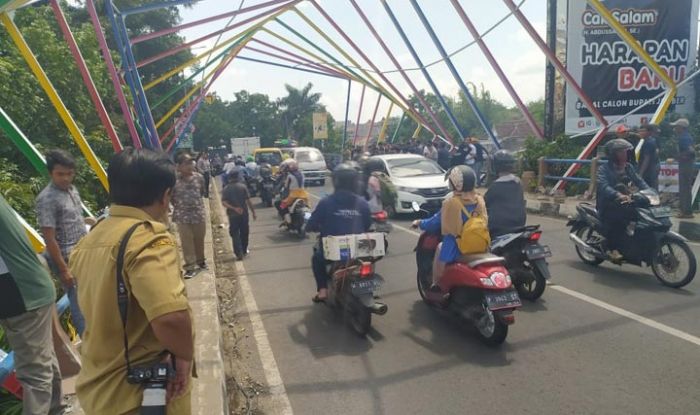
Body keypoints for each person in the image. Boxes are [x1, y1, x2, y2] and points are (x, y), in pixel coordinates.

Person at [70, 148, 193, 415]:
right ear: (165, 196)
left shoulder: (88, 241)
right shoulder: (148, 240)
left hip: (100, 390)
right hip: (142, 395)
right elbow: (170, 318)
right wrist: (184, 356)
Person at [0, 194, 66, 415]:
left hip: (21, 296)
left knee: (34, 372)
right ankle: (57, 410)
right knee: (44, 360)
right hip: (31, 288)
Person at [36, 149, 91, 337]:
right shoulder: (47, 199)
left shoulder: (72, 191)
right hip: (67, 258)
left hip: (83, 252)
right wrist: (63, 269)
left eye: (70, 173)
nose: (66, 178)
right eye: (60, 174)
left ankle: (97, 338)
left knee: (90, 297)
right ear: (51, 173)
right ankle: (88, 342)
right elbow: (49, 238)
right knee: (78, 301)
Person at [412, 165, 488, 287]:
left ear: (455, 183)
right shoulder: (479, 200)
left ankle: (436, 284)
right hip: (480, 244)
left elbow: (434, 223)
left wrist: (420, 222)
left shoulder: (452, 203)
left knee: (440, 248)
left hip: (456, 247)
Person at [306, 164, 372, 302]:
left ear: (335, 181)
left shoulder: (326, 202)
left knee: (317, 259)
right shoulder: (363, 203)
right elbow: (367, 224)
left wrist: (310, 227)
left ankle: (323, 290)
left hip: (335, 249)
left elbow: (311, 223)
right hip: (359, 248)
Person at [597, 139, 650, 261]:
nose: (624, 155)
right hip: (608, 203)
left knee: (641, 215)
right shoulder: (603, 169)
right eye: (620, 152)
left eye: (625, 152)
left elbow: (639, 181)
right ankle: (612, 249)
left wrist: (651, 192)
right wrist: (617, 194)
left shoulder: (628, 167)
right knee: (618, 220)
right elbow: (603, 186)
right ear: (613, 154)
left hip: (626, 200)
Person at [172, 154, 207, 278]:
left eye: (191, 163)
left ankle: (201, 261)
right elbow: (171, 198)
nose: (190, 166)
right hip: (182, 217)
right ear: (179, 166)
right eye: (186, 163)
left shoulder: (199, 178)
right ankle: (190, 267)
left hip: (198, 214)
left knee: (199, 239)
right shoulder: (174, 181)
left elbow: (202, 192)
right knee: (186, 242)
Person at [484, 150, 526, 237]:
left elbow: (484, 204)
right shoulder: (518, 183)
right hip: (519, 224)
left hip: (498, 228)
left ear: (494, 166)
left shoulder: (495, 187)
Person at [222, 169, 257, 260]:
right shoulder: (243, 187)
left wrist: (233, 208)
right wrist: (253, 212)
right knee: (244, 232)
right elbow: (248, 201)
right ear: (238, 177)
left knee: (234, 233)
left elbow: (224, 202)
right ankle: (244, 250)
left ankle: (238, 253)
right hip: (243, 214)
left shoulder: (226, 189)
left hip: (233, 215)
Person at [672, 118, 695, 218]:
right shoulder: (687, 136)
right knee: (686, 188)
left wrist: (677, 157)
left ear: (681, 127)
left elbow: (691, 151)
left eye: (676, 126)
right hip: (688, 164)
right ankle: (687, 211)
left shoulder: (683, 138)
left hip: (686, 164)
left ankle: (685, 212)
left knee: (684, 188)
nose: (675, 128)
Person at [275, 159, 309, 225]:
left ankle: (288, 220)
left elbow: (286, 187)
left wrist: (281, 194)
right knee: (307, 206)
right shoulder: (302, 174)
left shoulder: (289, 176)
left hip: (293, 195)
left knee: (282, 205)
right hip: (304, 194)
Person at [637, 124, 661, 190]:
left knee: (649, 189)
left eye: (643, 131)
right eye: (640, 131)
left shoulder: (648, 142)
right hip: (652, 169)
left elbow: (646, 159)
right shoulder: (651, 141)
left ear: (649, 132)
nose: (641, 133)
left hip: (649, 171)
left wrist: (641, 173)